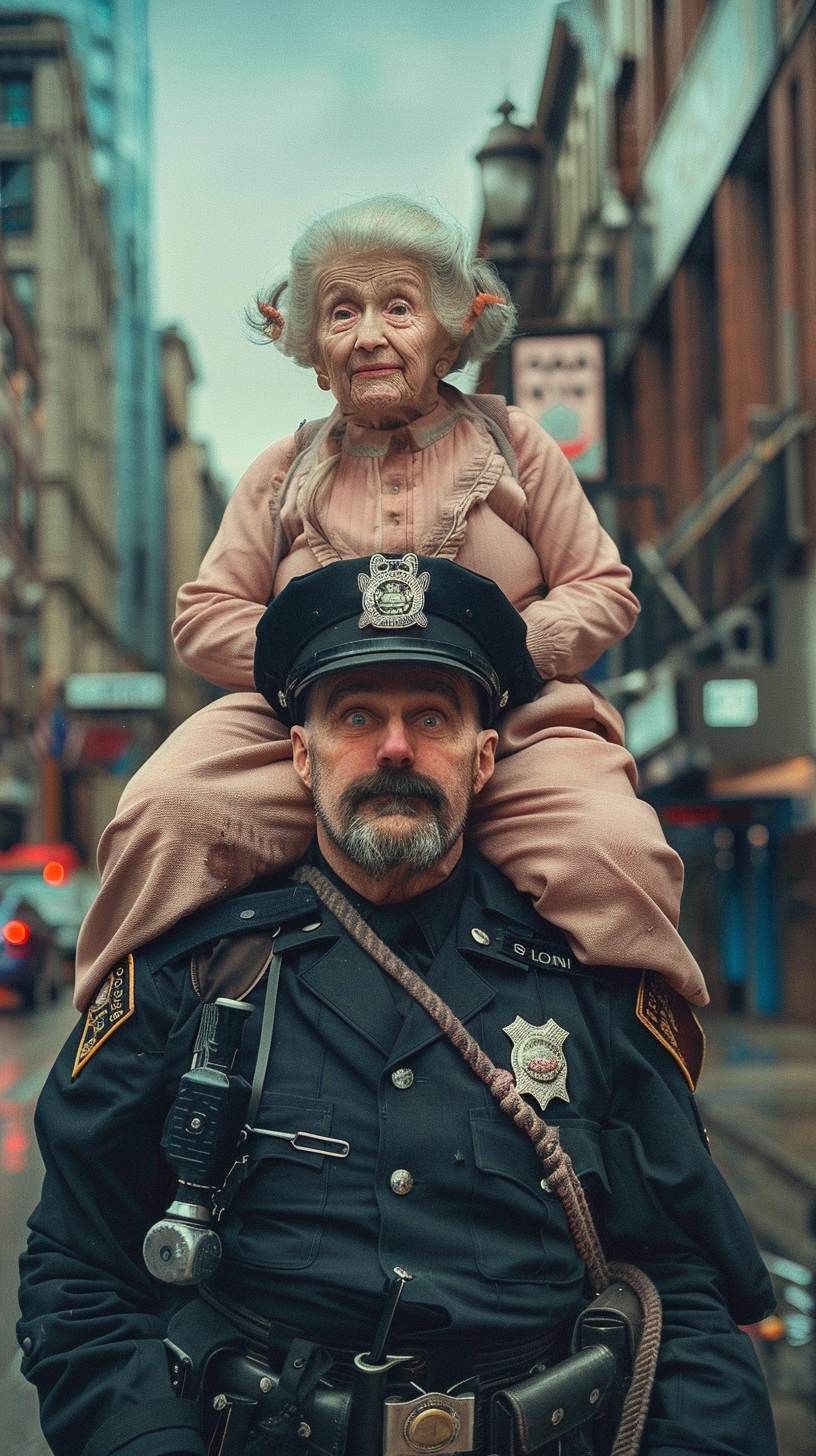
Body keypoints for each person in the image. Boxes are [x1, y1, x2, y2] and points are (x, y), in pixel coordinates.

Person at [19, 556, 776, 1456]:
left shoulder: (589, 976)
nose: (393, 748)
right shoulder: (200, 973)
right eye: (354, 717)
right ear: (301, 755)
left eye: (431, 717)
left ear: (483, 757)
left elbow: (683, 1283)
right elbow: (78, 1272)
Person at [72, 195, 708, 1018]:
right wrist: (313, 654)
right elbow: (204, 615)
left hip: (506, 723)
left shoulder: (514, 442)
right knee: (165, 814)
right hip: (310, 726)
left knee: (614, 851)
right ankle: (115, 1047)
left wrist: (510, 647)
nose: (370, 333)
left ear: (448, 330)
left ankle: (648, 1080)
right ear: (313, 349)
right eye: (342, 311)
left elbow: (604, 588)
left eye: (398, 307)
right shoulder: (281, 469)